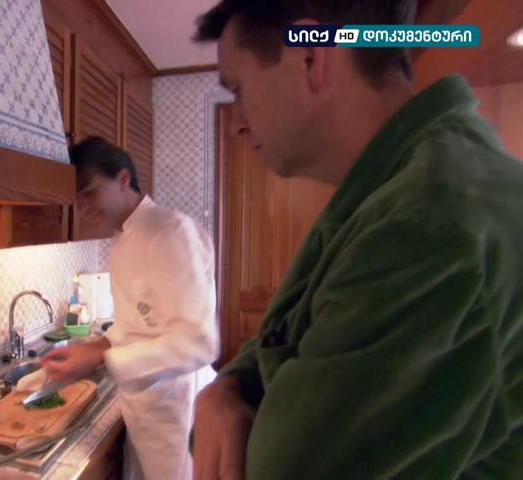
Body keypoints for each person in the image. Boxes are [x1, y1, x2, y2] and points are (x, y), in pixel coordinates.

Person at [189, 1, 523, 479]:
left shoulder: (428, 222)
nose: (237, 120)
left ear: (310, 57)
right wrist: (223, 392)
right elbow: (275, 340)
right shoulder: (387, 191)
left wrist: (225, 396)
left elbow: (276, 468)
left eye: (238, 88)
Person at [41, 136, 219, 480]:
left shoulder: (171, 233)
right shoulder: (122, 238)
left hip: (178, 415)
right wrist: (93, 346)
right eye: (78, 199)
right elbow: (136, 323)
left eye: (90, 192)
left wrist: (104, 359)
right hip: (143, 410)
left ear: (123, 179)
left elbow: (199, 342)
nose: (83, 206)